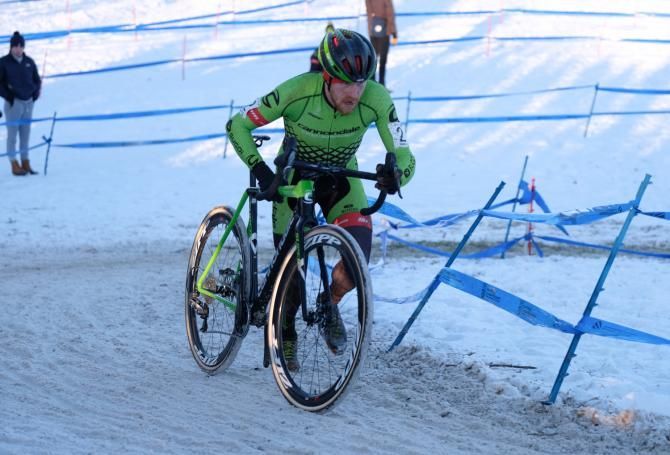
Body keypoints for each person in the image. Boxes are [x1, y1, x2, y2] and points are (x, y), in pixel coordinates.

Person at [227, 29, 415, 370]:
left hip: (341, 179)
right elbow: (237, 125)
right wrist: (262, 172)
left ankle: (330, 302)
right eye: (345, 83)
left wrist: (396, 174)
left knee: (357, 263)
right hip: (294, 179)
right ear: (327, 77)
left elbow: (405, 154)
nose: (354, 93)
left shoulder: (377, 98)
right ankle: (285, 328)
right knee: (291, 275)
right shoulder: (296, 91)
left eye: (361, 83)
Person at [0, 31, 41, 176]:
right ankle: (14, 163)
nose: (18, 49)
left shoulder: (29, 61)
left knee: (25, 134)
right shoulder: (4, 62)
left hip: (28, 103)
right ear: (11, 47)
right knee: (12, 135)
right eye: (15, 46)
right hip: (14, 103)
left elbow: (37, 80)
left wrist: (35, 94)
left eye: (21, 46)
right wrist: (9, 97)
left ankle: (25, 162)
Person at [365, 0, 397, 87]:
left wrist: (370, 28)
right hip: (384, 31)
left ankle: (372, 84)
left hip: (372, 30)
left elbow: (369, 11)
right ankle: (382, 84)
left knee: (373, 58)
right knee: (382, 59)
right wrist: (394, 32)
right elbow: (390, 13)